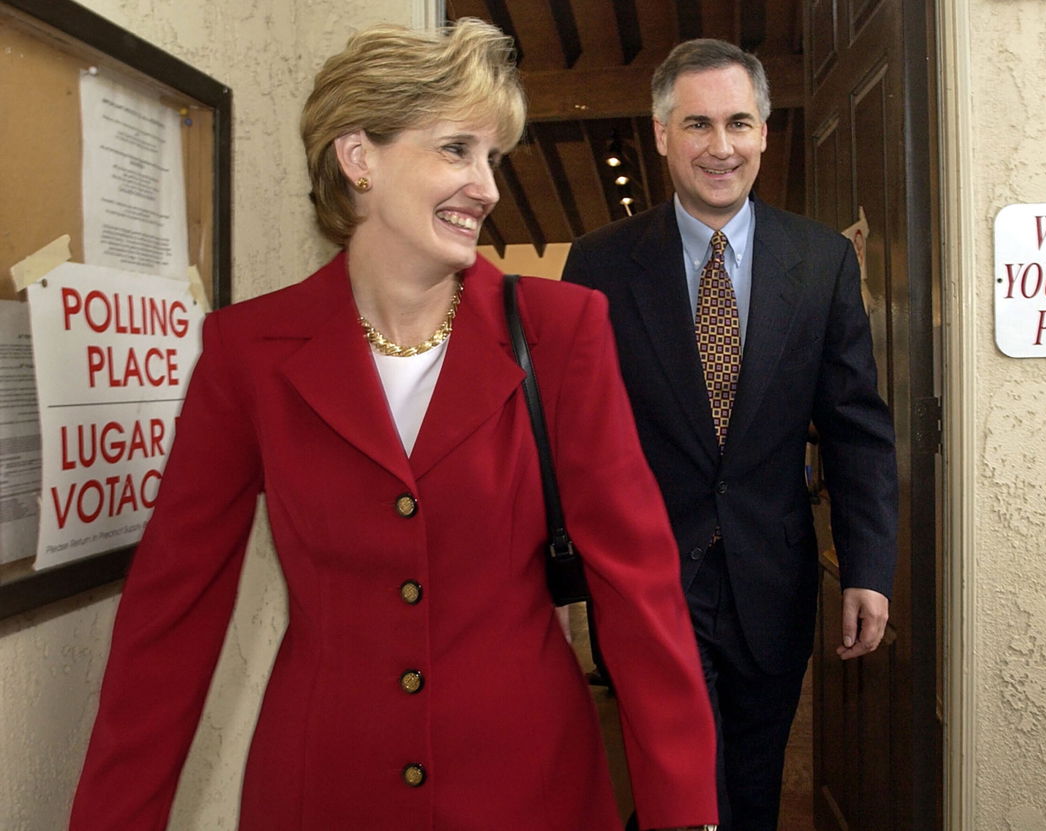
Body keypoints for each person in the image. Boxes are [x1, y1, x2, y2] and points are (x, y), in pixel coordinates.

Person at [69, 20, 718, 831]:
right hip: (321, 791)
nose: (486, 185)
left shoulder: (563, 328)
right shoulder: (249, 352)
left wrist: (685, 812)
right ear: (358, 156)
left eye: (492, 158)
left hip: (529, 786)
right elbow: (171, 614)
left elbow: (639, 590)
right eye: (456, 150)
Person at [562, 38, 898, 831]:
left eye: (739, 123)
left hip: (770, 586)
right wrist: (565, 576)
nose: (721, 147)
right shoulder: (599, 264)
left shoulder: (820, 263)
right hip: (644, 588)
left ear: (765, 131)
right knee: (678, 795)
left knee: (749, 793)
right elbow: (566, 437)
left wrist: (868, 566)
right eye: (698, 124)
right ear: (659, 133)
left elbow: (855, 427)